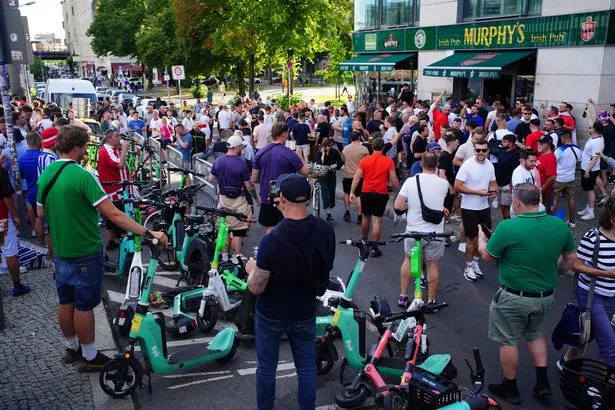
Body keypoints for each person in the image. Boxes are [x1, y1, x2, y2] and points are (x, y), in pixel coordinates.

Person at [36, 125, 167, 372]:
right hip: (84, 250)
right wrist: (148, 232)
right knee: (85, 305)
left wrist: (50, 246)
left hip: (61, 252)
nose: (87, 150)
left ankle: (71, 347)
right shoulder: (83, 176)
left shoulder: (46, 174)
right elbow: (113, 214)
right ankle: (90, 356)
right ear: (75, 148)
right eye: (85, 145)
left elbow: (40, 215)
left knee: (66, 301)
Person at [477, 183, 576, 404]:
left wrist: (483, 240)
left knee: (508, 340)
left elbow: (488, 257)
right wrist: (555, 272)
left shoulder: (508, 227)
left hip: (513, 297)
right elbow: (570, 259)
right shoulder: (558, 226)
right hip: (544, 296)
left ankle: (510, 388)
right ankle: (542, 383)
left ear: (517, 202)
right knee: (534, 333)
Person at [246, 173, 335, 410]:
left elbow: (256, 287)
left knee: (266, 367)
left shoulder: (272, 239)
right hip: (305, 309)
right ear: (306, 198)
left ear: (281, 199)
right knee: (306, 366)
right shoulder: (325, 230)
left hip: (272, 312)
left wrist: (251, 269)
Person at [559, 198, 615, 369]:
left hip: (611, 296)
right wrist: (605, 273)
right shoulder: (593, 237)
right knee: (610, 344)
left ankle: (566, 362)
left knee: (588, 331)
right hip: (592, 296)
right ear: (612, 219)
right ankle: (603, 388)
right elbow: (575, 265)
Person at [394, 152, 449, 310]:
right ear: (437, 165)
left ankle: (403, 296)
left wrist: (409, 206)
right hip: (435, 232)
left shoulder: (411, 182)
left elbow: (398, 206)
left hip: (413, 231)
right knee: (433, 265)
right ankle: (431, 300)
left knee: (409, 260)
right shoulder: (443, 183)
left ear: (421, 164)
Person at [252, 123, 308, 232]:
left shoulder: (260, 153)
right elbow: (305, 172)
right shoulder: (289, 153)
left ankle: (271, 247)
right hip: (285, 197)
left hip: (267, 195)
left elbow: (254, 178)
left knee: (270, 228)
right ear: (283, 134)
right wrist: (300, 156)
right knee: (287, 229)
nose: (288, 136)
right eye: (287, 133)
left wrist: (265, 178)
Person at [454, 138, 497, 281]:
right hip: (469, 208)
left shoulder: (490, 165)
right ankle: (468, 267)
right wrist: (476, 192)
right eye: (478, 150)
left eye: (484, 150)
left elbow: (493, 182)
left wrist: (493, 190)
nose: (480, 153)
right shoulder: (467, 165)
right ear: (474, 150)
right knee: (471, 240)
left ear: (488, 151)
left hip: (484, 207)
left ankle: (475, 263)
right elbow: (457, 186)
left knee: (483, 239)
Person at [210, 134, 259, 258]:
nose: (242, 149)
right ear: (237, 147)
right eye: (241, 147)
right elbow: (249, 186)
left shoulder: (219, 161)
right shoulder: (241, 163)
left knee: (225, 228)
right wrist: (256, 199)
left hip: (223, 200)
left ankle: (225, 256)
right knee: (238, 230)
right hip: (238, 200)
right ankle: (236, 257)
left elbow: (211, 178)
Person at [350, 138, 399, 257]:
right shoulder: (388, 161)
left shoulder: (365, 160)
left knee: (365, 218)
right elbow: (393, 179)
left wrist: (352, 191)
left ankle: (364, 240)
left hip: (366, 192)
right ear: (383, 148)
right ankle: (374, 247)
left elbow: (357, 178)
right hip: (380, 193)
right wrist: (399, 190)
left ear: (372, 147)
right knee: (377, 220)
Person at [97, 128, 130, 250]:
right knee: (120, 215)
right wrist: (125, 149)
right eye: (116, 136)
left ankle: (112, 241)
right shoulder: (107, 150)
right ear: (109, 138)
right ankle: (125, 244)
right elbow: (119, 164)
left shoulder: (112, 149)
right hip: (114, 189)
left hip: (115, 187)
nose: (119, 138)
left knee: (112, 216)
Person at [578, 121, 606, 221]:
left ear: (594, 130)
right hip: (585, 167)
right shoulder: (596, 136)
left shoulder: (597, 142)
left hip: (590, 169)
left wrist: (587, 171)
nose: (588, 128)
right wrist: (591, 104)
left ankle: (591, 212)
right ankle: (588, 208)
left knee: (590, 190)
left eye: (590, 127)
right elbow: (591, 121)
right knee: (587, 189)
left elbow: (594, 159)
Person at [552, 133, 581, 227]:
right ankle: (572, 221)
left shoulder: (560, 149)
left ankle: (552, 222)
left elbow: (553, 161)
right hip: (571, 178)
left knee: (555, 198)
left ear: (563, 138)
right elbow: (578, 161)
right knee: (571, 198)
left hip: (559, 178)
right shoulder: (577, 149)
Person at [341, 131, 369, 224]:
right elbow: (367, 162)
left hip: (348, 174)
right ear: (359, 138)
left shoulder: (345, 148)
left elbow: (343, 160)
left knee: (346, 193)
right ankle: (359, 216)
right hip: (359, 175)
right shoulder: (364, 149)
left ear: (350, 138)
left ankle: (347, 212)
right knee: (358, 196)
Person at [315, 138, 343, 222]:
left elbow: (341, 162)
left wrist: (336, 165)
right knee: (325, 193)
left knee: (331, 192)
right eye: (326, 146)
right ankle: (328, 214)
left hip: (331, 174)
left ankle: (330, 207)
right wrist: (323, 154)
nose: (327, 148)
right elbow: (319, 163)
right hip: (322, 175)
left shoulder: (334, 152)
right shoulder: (319, 152)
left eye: (329, 146)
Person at [536, 135, 557, 213]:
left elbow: (552, 176)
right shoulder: (542, 154)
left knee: (543, 211)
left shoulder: (550, 157)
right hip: (538, 188)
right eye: (539, 143)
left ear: (548, 144)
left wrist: (542, 188)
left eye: (541, 143)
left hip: (544, 192)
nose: (539, 145)